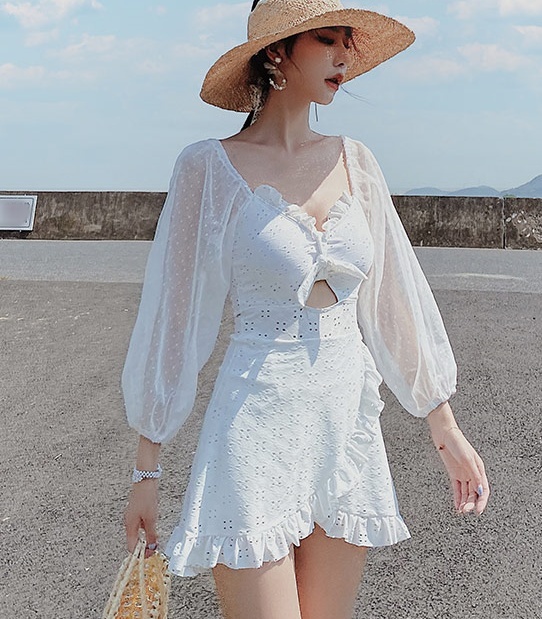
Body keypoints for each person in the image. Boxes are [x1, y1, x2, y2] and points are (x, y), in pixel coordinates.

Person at [122, 1, 490, 618]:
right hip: (253, 429)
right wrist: (146, 471)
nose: (344, 56)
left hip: (344, 428)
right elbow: (171, 319)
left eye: (347, 42)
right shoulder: (207, 168)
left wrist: (443, 426)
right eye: (326, 39)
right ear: (276, 51)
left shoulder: (356, 161)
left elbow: (394, 299)